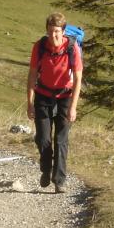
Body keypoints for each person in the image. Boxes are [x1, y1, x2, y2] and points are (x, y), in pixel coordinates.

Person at [26, 12, 83, 193]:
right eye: (50, 31)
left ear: (64, 31)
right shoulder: (40, 46)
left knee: (61, 139)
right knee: (43, 138)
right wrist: (29, 102)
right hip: (43, 94)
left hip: (65, 96)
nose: (53, 36)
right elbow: (32, 75)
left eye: (57, 32)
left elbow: (78, 79)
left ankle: (59, 181)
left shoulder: (72, 48)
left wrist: (73, 107)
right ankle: (45, 169)